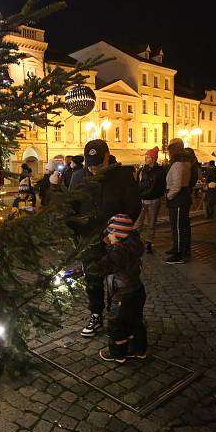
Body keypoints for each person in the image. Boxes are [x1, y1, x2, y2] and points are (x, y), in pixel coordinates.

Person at [69, 139, 141, 337]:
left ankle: (118, 316)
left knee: (118, 281)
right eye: (90, 164)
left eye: (98, 165)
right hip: (88, 239)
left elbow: (134, 206)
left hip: (115, 241)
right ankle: (95, 313)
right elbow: (71, 206)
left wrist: (119, 231)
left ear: (108, 157)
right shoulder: (78, 177)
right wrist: (73, 231)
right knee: (92, 278)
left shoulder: (123, 176)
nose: (93, 169)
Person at [84, 214, 147, 361]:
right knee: (135, 321)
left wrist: (86, 268)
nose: (108, 235)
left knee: (116, 324)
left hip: (122, 295)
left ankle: (117, 353)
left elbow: (102, 266)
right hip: (136, 291)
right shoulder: (131, 245)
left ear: (118, 235)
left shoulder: (118, 252)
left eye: (110, 233)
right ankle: (139, 350)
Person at [164, 139, 192, 265]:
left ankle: (179, 254)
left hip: (178, 199)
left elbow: (177, 185)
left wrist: (169, 196)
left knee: (178, 227)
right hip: (183, 197)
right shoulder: (184, 163)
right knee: (183, 226)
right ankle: (181, 249)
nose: (168, 153)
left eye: (169, 151)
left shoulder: (177, 165)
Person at [135, 147, 165, 254]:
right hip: (143, 200)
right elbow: (138, 183)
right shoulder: (142, 169)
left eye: (147, 157)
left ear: (153, 158)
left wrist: (143, 193)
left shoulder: (160, 171)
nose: (145, 159)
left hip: (153, 200)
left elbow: (157, 187)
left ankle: (148, 243)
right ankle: (135, 242)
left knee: (151, 223)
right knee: (138, 222)